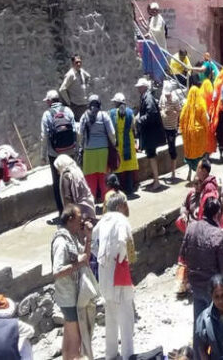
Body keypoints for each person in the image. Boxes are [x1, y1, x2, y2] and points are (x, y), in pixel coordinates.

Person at [92, 192, 136, 360]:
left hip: (105, 276)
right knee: (126, 317)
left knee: (110, 316)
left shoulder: (101, 222)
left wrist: (105, 260)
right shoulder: (120, 220)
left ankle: (110, 354)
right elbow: (123, 240)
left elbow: (94, 246)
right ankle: (127, 355)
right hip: (119, 276)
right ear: (119, 206)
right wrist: (121, 258)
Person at [180, 196, 223, 325]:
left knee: (199, 320)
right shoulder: (218, 235)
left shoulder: (191, 228)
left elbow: (183, 255)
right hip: (212, 287)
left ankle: (198, 344)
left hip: (195, 284)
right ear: (217, 214)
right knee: (214, 324)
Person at [51, 204, 93, 360]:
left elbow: (85, 257)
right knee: (75, 336)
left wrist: (88, 237)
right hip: (68, 295)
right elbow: (57, 271)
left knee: (69, 334)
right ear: (70, 220)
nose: (81, 222)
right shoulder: (61, 242)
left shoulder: (72, 237)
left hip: (72, 294)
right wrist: (78, 264)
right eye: (78, 219)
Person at [42, 90, 79, 224]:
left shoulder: (47, 114)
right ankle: (76, 210)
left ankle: (63, 213)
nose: (46, 102)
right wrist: (76, 148)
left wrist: (43, 155)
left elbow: (44, 136)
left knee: (58, 183)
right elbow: (75, 130)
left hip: (55, 155)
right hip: (70, 152)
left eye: (47, 100)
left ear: (51, 101)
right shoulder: (68, 111)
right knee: (73, 179)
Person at [78, 95, 116, 204]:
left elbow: (80, 134)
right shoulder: (104, 116)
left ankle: (90, 209)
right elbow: (112, 133)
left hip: (89, 153)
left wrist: (82, 145)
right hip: (103, 152)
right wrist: (113, 144)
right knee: (104, 181)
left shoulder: (84, 116)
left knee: (90, 183)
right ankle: (108, 207)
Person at [136, 78, 167, 190]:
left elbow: (151, 113)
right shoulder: (146, 97)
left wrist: (139, 120)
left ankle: (157, 181)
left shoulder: (147, 98)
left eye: (140, 86)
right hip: (151, 133)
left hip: (151, 134)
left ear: (144, 87)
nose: (138, 88)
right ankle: (156, 179)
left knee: (152, 156)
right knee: (151, 156)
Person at [109, 93, 140, 197]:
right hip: (129, 141)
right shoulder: (130, 112)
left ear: (117, 103)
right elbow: (133, 126)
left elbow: (111, 129)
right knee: (129, 167)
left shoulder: (112, 113)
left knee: (118, 166)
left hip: (118, 142)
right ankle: (130, 189)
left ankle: (118, 190)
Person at [180, 83, 211, 178]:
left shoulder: (185, 107)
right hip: (199, 134)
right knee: (199, 155)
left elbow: (181, 119)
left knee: (190, 154)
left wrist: (183, 130)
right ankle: (198, 174)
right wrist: (207, 128)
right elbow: (206, 119)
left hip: (188, 135)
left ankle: (189, 172)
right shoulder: (201, 105)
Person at [54, 154, 96, 221]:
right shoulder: (77, 170)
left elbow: (67, 197)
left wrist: (68, 214)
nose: (58, 172)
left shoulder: (66, 176)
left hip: (78, 210)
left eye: (58, 169)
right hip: (89, 204)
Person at [160, 81, 183, 182]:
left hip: (172, 127)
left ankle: (173, 172)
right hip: (164, 126)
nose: (167, 96)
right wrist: (163, 112)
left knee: (172, 149)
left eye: (168, 94)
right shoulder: (162, 97)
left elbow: (179, 111)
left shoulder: (175, 99)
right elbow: (160, 107)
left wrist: (172, 112)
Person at [59, 55, 92, 121]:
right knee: (79, 125)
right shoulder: (71, 75)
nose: (79, 64)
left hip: (84, 104)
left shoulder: (81, 71)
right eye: (76, 62)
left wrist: (86, 85)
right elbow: (62, 89)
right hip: (76, 105)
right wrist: (69, 102)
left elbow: (88, 76)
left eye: (80, 62)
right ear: (73, 63)